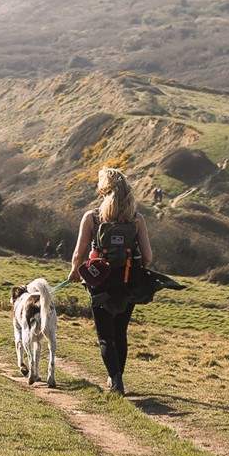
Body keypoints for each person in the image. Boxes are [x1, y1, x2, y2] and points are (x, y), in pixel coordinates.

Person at [65, 167, 154, 394]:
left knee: (105, 335)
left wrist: (75, 271)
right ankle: (117, 378)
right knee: (120, 331)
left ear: (103, 190)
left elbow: (79, 253)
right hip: (127, 282)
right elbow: (148, 257)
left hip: (99, 282)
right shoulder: (137, 220)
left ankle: (115, 381)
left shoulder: (92, 217)